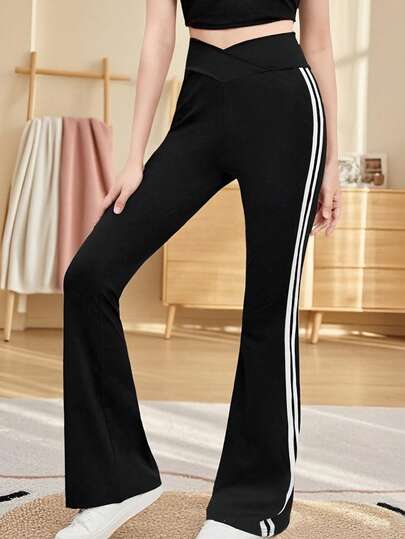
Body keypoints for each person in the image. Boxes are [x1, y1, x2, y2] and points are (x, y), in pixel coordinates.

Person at [56, 0, 340, 537]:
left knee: (270, 311)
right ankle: (119, 483)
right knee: (89, 275)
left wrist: (331, 161)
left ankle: (251, 507)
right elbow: (158, 36)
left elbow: (319, 42)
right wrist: (135, 156)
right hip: (200, 99)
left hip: (286, 105)